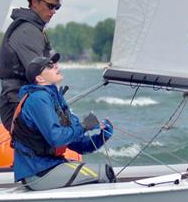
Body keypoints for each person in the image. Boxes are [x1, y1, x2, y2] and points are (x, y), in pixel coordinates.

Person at [11, 53, 115, 190]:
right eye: (49, 66)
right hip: (37, 173)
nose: (55, 66)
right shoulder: (38, 99)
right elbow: (57, 138)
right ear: (39, 78)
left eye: (54, 63)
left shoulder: (55, 99)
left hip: (51, 166)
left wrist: (102, 136)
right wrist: (84, 126)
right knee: (105, 173)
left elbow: (79, 145)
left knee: (101, 172)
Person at [0, 0, 64, 131]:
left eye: (57, 7)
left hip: (28, 103)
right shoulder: (27, 31)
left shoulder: (35, 29)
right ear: (34, 2)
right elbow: (39, 74)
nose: (53, 11)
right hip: (18, 106)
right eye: (50, 6)